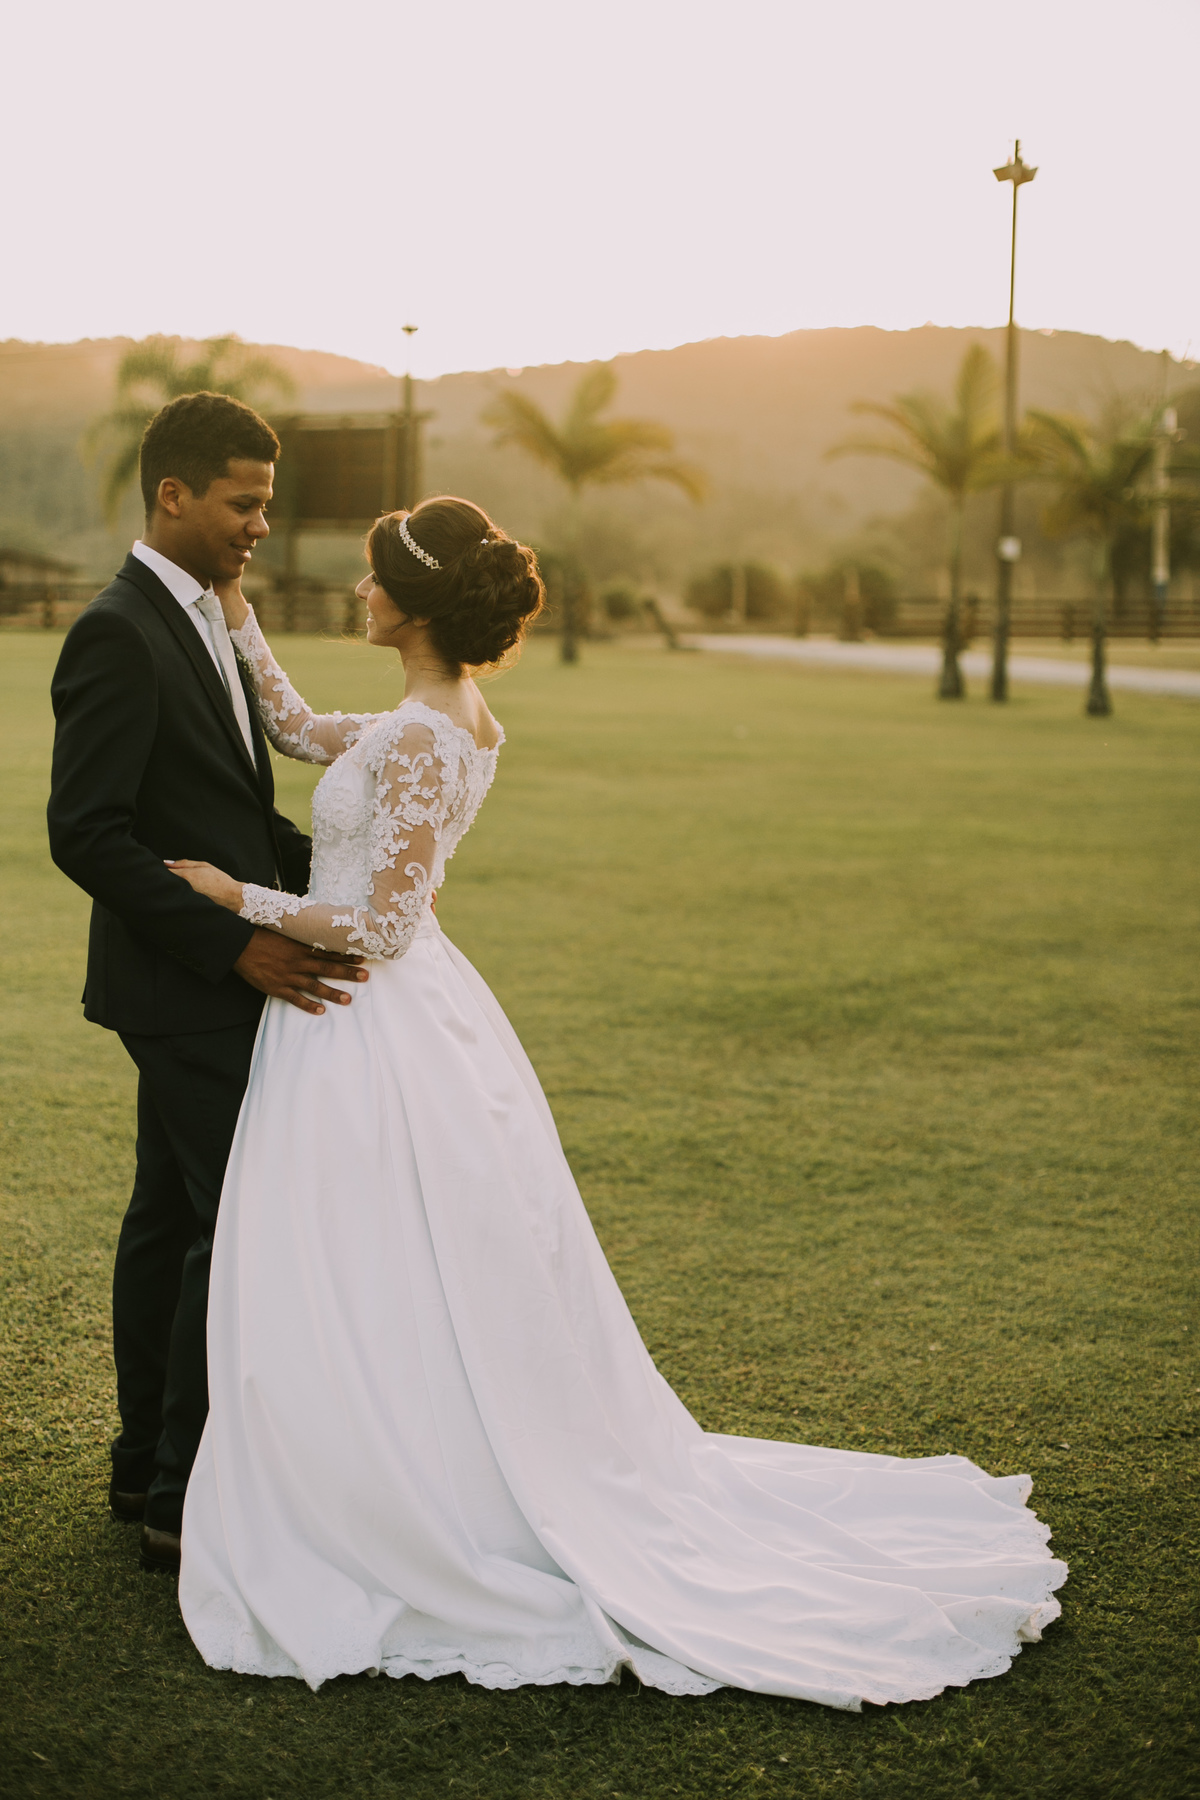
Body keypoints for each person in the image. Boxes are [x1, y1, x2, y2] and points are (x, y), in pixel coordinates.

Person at [167, 494, 1066, 1708]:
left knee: (370, 1256)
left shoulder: (428, 736)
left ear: (414, 605)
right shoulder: (428, 719)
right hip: (397, 1020)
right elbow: (292, 724)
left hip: (369, 1021)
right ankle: (371, 1459)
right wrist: (236, 613)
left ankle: (413, 1489)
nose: (361, 591)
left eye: (376, 578)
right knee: (383, 1261)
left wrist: (237, 899)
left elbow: (380, 925)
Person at [47, 394, 368, 1574]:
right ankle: (184, 1506)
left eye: (267, 505)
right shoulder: (118, 631)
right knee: (233, 1229)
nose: (260, 527)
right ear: (173, 495)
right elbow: (87, 832)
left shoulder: (209, 617)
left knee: (168, 1222)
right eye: (243, 504)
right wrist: (235, 946)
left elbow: (226, 810)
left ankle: (144, 1468)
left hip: (202, 974)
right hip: (183, 983)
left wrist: (342, 887)